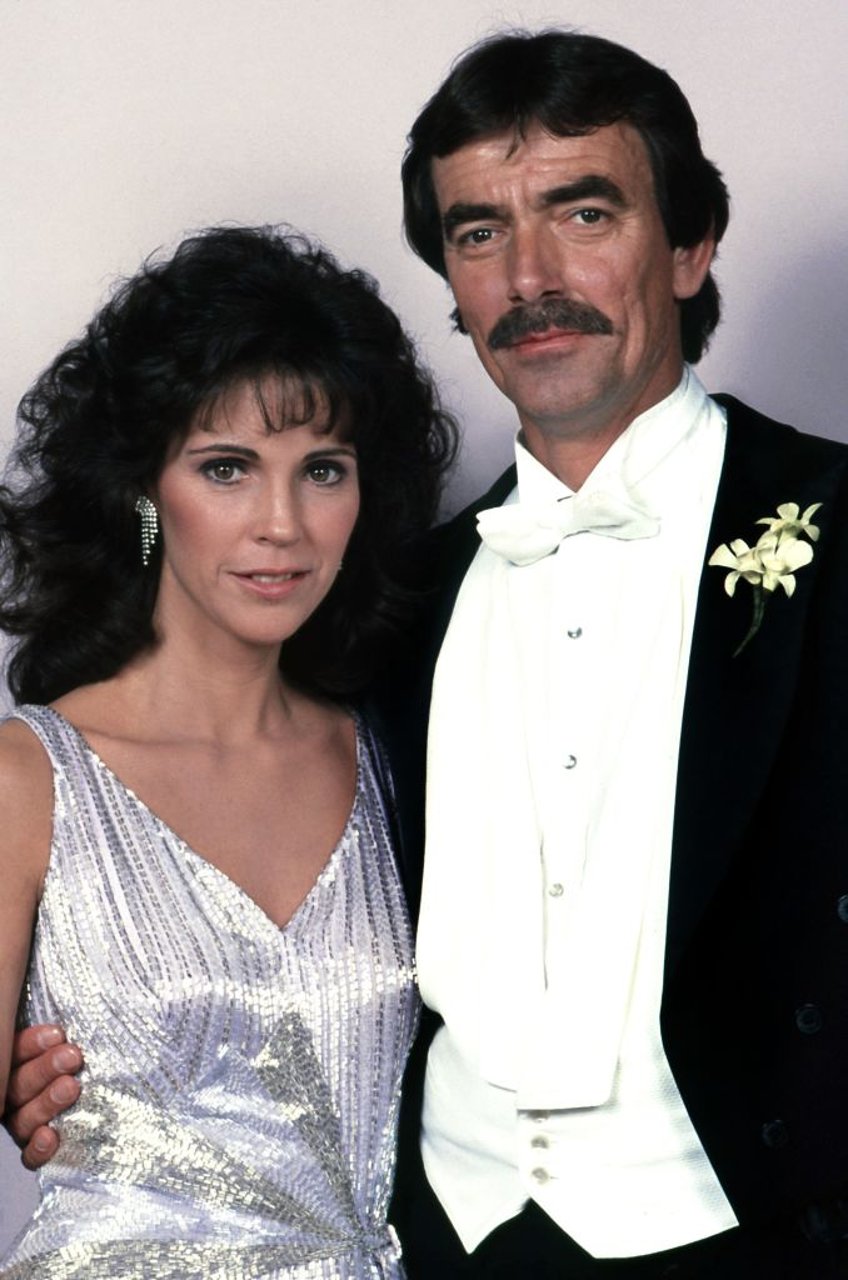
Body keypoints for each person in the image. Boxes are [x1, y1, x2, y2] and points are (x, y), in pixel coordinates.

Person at [9, 27, 848, 1279]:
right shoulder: (404, 609)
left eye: (582, 211)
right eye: (476, 233)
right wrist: (104, 1090)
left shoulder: (834, 536)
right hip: (445, 1242)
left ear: (688, 246)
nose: (530, 274)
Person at [0, 223, 455, 1277]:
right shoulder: (31, 779)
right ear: (144, 495)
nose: (282, 523)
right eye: (228, 468)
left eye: (323, 470)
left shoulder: (399, 760)